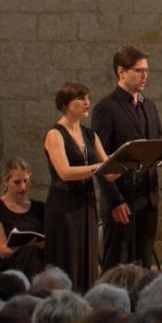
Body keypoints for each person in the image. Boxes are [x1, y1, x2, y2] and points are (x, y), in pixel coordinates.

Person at [91, 45, 162, 269]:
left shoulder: (149, 106)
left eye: (146, 70)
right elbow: (100, 160)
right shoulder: (106, 108)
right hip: (121, 199)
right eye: (139, 70)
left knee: (144, 264)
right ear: (121, 72)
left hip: (148, 198)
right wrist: (115, 200)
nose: (145, 76)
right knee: (117, 265)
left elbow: (159, 143)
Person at [43, 81, 107, 291]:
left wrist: (129, 162)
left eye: (87, 97)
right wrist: (97, 167)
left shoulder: (90, 134)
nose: (87, 102)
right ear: (65, 104)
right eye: (80, 98)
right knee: (68, 257)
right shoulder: (55, 134)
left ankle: (85, 301)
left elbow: (109, 168)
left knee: (87, 258)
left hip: (86, 202)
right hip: (64, 205)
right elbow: (64, 172)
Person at [0, 158, 47, 278]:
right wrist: (26, 247)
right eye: (17, 182)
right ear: (5, 182)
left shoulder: (39, 208)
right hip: (10, 264)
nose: (23, 187)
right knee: (31, 252)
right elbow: (2, 251)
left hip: (39, 260)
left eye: (26, 181)